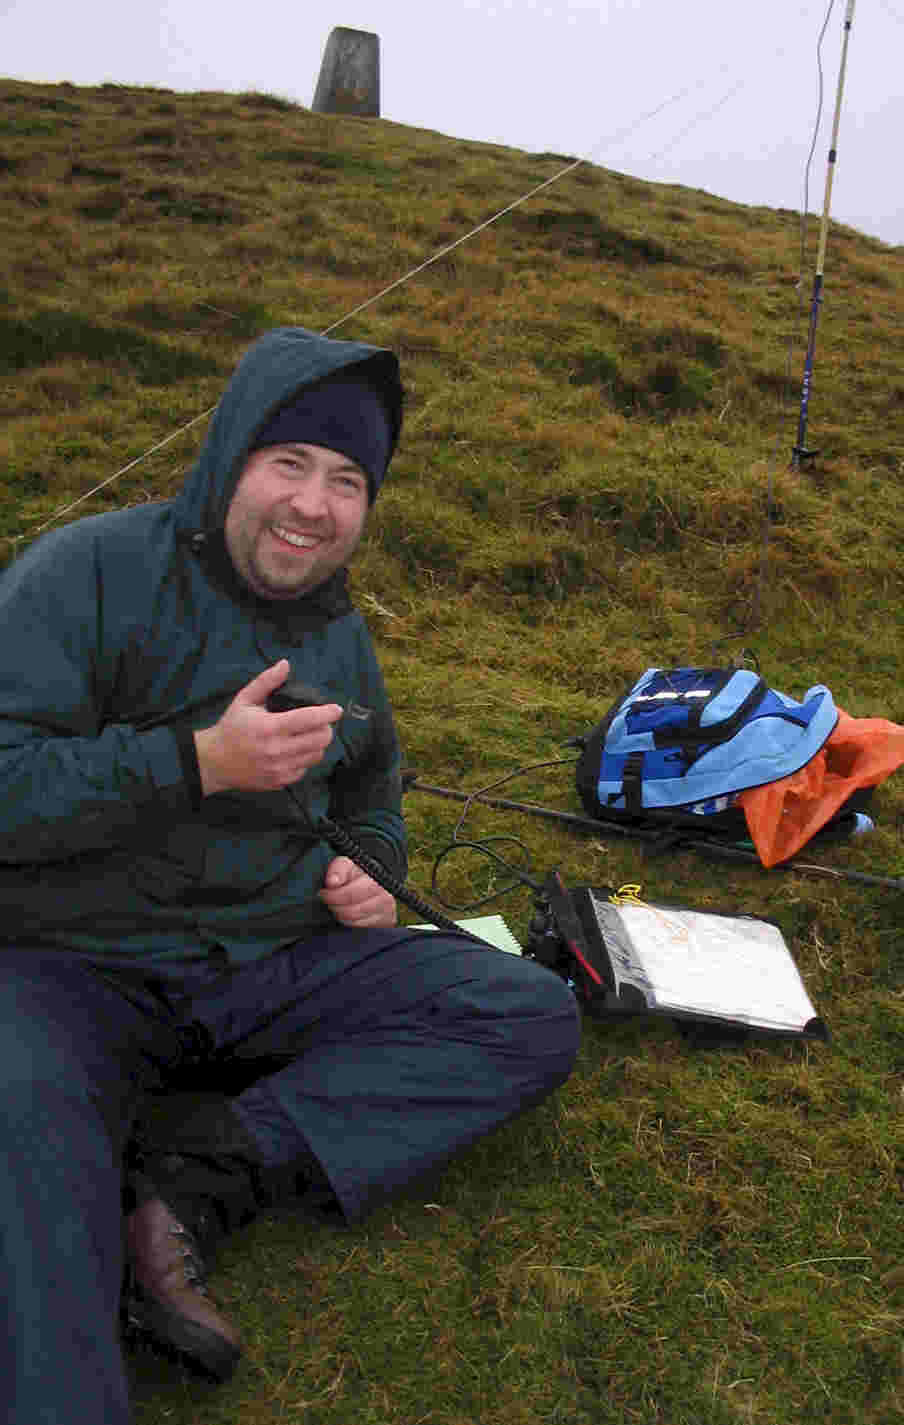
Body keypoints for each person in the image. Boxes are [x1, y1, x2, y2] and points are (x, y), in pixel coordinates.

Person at [0, 327, 582, 1423]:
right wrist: (191, 763)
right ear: (229, 460)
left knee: (527, 1008)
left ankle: (190, 1186)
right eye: (290, 463)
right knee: (20, 1142)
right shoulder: (83, 574)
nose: (314, 505)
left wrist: (371, 869)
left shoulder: (339, 636)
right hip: (65, 969)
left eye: (348, 480)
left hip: (261, 967)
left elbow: (371, 799)